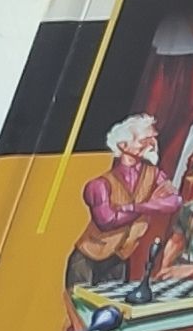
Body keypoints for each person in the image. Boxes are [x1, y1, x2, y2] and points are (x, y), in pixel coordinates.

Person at [67, 115, 180, 296]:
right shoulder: (99, 184)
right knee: (79, 307)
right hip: (87, 260)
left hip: (120, 258)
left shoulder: (154, 175)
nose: (152, 145)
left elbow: (174, 201)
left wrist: (135, 207)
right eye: (144, 140)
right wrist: (152, 204)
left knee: (112, 305)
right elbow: (107, 221)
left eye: (153, 139)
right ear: (123, 146)